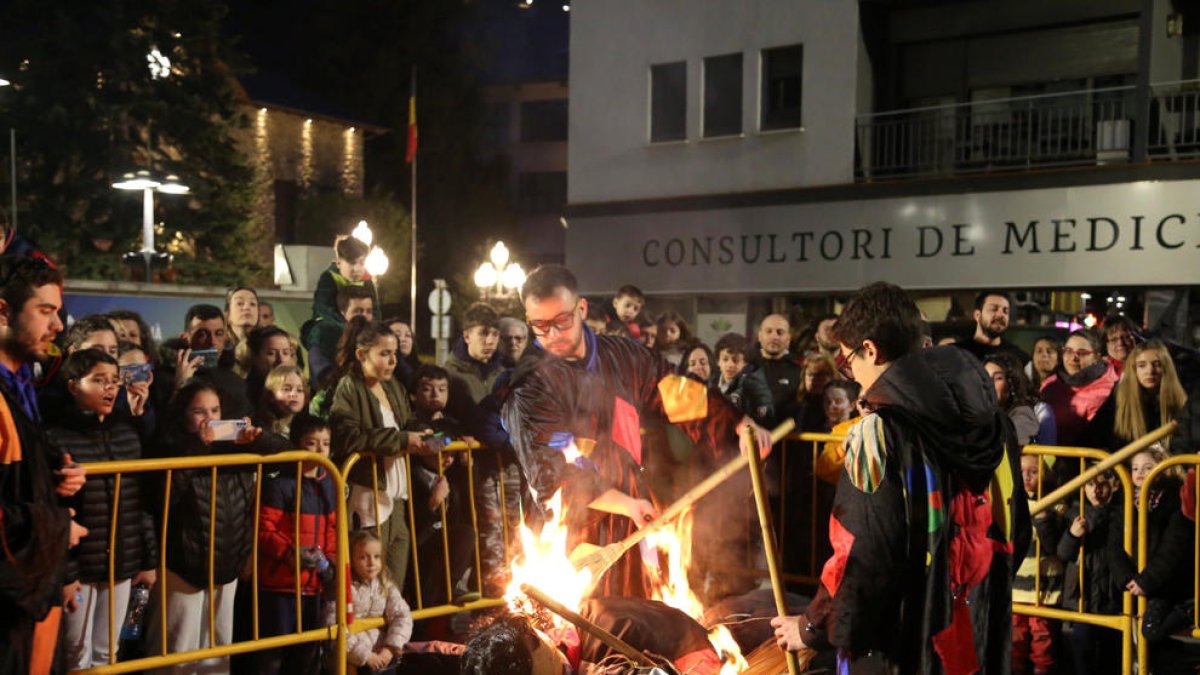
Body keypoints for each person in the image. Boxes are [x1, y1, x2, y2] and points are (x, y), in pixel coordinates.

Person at [771, 281, 1024, 674]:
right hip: (978, 628)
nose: (851, 373)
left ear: (870, 349)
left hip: (903, 642)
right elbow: (1015, 529)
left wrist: (812, 626)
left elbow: (861, 551)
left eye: (848, 360)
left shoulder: (877, 434)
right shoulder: (997, 423)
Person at [501, 265, 772, 598]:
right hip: (576, 522)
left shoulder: (625, 355)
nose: (553, 335)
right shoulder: (531, 387)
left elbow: (676, 393)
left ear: (581, 309)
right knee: (583, 621)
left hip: (631, 507)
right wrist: (623, 502)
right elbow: (553, 471)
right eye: (540, 326)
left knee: (640, 611)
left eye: (562, 321)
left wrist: (735, 423)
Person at [0, 255, 87, 674]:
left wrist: (57, 479)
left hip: (32, 596)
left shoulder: (22, 386)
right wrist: (58, 528)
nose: (57, 327)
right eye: (45, 311)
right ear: (3, 311)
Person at [144, 380, 266, 675]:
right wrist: (200, 446)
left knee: (218, 652)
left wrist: (257, 439)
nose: (210, 419)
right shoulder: (169, 446)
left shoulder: (235, 448)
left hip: (227, 564)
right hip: (185, 565)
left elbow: (283, 453)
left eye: (215, 410)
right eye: (199, 412)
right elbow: (163, 497)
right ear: (183, 415)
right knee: (176, 651)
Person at [48, 350, 157, 671]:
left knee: (108, 653)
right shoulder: (55, 439)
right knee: (75, 653)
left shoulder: (126, 434)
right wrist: (66, 575)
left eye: (114, 381)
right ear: (73, 386)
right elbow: (58, 513)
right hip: (79, 571)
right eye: (99, 381)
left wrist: (148, 560)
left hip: (121, 566)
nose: (110, 389)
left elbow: (140, 503)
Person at [329, 317, 440, 589]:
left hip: (398, 497)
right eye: (384, 354)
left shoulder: (393, 386)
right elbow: (348, 437)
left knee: (394, 584)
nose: (392, 361)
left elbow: (409, 423)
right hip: (369, 496)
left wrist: (434, 440)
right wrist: (403, 439)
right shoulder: (349, 388)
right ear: (361, 354)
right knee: (370, 584)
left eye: (394, 354)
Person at [255, 413, 337, 675]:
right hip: (280, 585)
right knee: (272, 655)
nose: (319, 449)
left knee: (308, 655)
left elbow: (334, 531)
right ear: (296, 444)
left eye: (325, 443)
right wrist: (291, 553)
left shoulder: (330, 484)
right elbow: (265, 529)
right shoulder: (280, 483)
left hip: (314, 586)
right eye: (312, 443)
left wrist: (330, 563)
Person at [1105, 445, 1195, 672]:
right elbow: (1114, 545)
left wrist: (1147, 581)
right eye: (1135, 468)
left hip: (1164, 584)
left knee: (1150, 630)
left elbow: (1173, 549)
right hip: (1135, 583)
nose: (1140, 473)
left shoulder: (1173, 502)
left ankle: (1190, 615)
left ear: (1162, 468)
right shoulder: (1125, 502)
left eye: (1148, 467)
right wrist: (1127, 578)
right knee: (1132, 636)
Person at [461, 599, 722, 675]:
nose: (537, 635)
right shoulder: (558, 649)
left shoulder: (605, 644)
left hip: (693, 655)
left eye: (533, 635)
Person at [405, 364, 478, 608]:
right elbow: (427, 443)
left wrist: (465, 452)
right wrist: (453, 441)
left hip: (445, 526)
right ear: (414, 394)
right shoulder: (411, 423)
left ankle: (455, 586)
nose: (435, 395)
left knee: (466, 533)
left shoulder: (451, 424)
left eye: (442, 389)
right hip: (420, 530)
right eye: (427, 389)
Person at [1055, 469, 1122, 675]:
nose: (1096, 490)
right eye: (1090, 485)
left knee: (1111, 655)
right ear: (1083, 487)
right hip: (1082, 596)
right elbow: (1063, 553)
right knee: (1082, 652)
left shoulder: (1120, 513)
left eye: (1101, 484)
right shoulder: (1074, 513)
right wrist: (1072, 535)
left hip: (1111, 597)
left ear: (1114, 485)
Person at [323, 531, 413, 674]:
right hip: (354, 659)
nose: (371, 563)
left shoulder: (385, 584)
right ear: (351, 560)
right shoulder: (342, 587)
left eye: (376, 557)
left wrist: (390, 647)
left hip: (382, 654)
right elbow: (334, 626)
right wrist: (365, 656)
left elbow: (402, 615)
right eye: (363, 557)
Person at [1012, 455, 1065, 675]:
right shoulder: (1012, 500)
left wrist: (1044, 519)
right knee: (1015, 641)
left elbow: (1054, 545)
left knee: (1043, 643)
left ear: (1044, 472)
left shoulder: (1057, 503)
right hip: (1017, 588)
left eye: (1033, 471)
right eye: (1022, 471)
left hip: (1044, 589)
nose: (1027, 476)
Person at [1087, 340, 1189, 453]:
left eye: (1157, 364)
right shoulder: (1118, 398)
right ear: (1133, 369)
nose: (1150, 371)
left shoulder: (1182, 402)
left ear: (1166, 368)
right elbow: (1093, 437)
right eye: (1142, 365)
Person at [1040, 330, 1120, 448]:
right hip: (1049, 459)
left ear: (1097, 357)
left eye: (1082, 353)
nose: (1074, 358)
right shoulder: (1050, 385)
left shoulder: (1111, 388)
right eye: (1068, 351)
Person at [304, 285, 375, 388]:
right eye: (358, 311)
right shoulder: (324, 337)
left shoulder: (375, 338)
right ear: (342, 312)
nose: (364, 316)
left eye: (369, 311)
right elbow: (324, 377)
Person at [444, 302, 504, 424]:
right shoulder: (448, 375)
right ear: (467, 336)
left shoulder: (504, 374)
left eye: (495, 334)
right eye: (483, 333)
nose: (490, 341)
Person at [313, 235, 380, 325]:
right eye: (352, 263)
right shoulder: (329, 278)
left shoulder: (367, 281)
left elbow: (375, 313)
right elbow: (325, 309)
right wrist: (349, 328)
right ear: (338, 262)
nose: (357, 269)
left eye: (362, 262)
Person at [984, 353, 1048, 446]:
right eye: (984, 377)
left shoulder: (1022, 413)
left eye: (998, 378)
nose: (989, 384)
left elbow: (1017, 437)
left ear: (1011, 384)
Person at [753, 313, 803, 427]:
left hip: (786, 440)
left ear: (788, 339)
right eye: (769, 331)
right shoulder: (746, 368)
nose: (774, 336)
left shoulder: (798, 372)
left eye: (780, 332)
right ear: (759, 336)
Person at [956, 290, 1030, 365]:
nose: (1000, 315)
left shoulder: (1017, 357)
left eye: (1005, 311)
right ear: (977, 315)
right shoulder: (958, 353)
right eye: (994, 309)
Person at [713, 332, 773, 424]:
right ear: (718, 361)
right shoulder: (711, 384)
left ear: (744, 363)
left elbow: (766, 413)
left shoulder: (753, 384)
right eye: (725, 359)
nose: (730, 365)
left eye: (735, 360)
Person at [236, 325, 299, 404]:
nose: (281, 360)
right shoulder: (243, 394)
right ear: (255, 357)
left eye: (285, 353)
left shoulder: (300, 388)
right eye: (271, 353)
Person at [255, 364, 308, 441]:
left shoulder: (304, 427)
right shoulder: (261, 428)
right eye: (286, 389)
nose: (293, 394)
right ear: (271, 395)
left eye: (299, 390)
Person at [383, 317, 421, 388]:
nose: (403, 339)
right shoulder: (383, 373)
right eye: (397, 335)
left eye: (408, 335)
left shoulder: (420, 371)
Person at [224, 286, 260, 351]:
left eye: (252, 304)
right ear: (228, 314)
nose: (247, 307)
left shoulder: (267, 346)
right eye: (240, 303)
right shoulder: (219, 347)